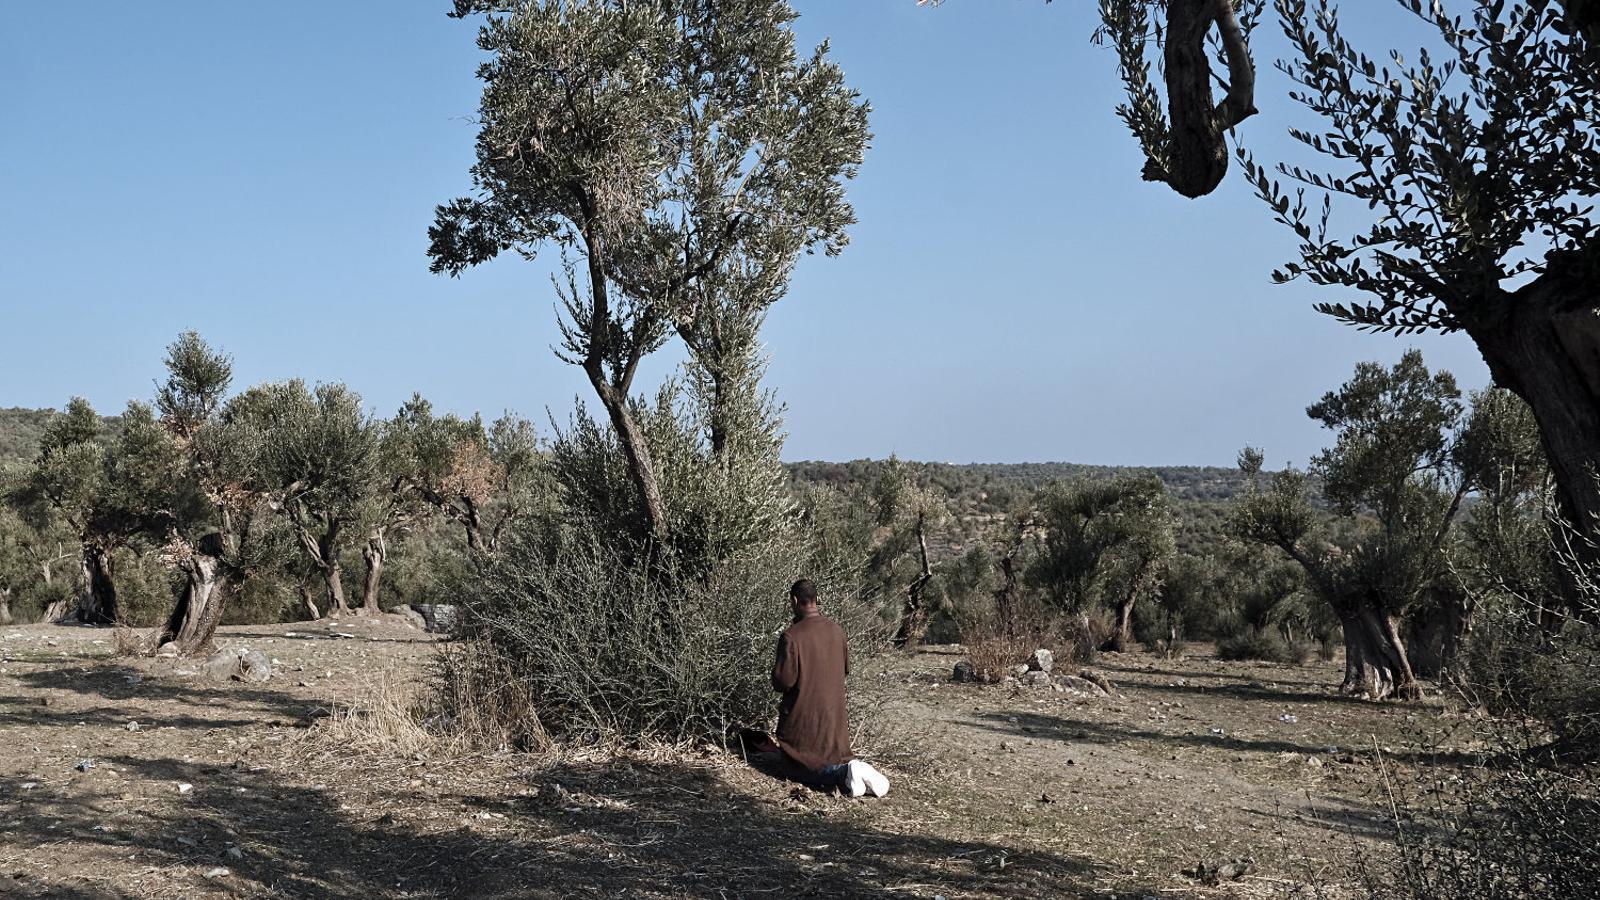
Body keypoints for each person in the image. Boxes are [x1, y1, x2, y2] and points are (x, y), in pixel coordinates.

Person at [771, 578, 889, 798]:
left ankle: (844, 772)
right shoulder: (837, 631)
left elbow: (782, 682)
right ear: (817, 600)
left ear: (794, 601)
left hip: (804, 726)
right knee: (828, 758)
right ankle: (852, 768)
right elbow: (844, 669)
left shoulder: (792, 636)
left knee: (799, 769)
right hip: (835, 728)